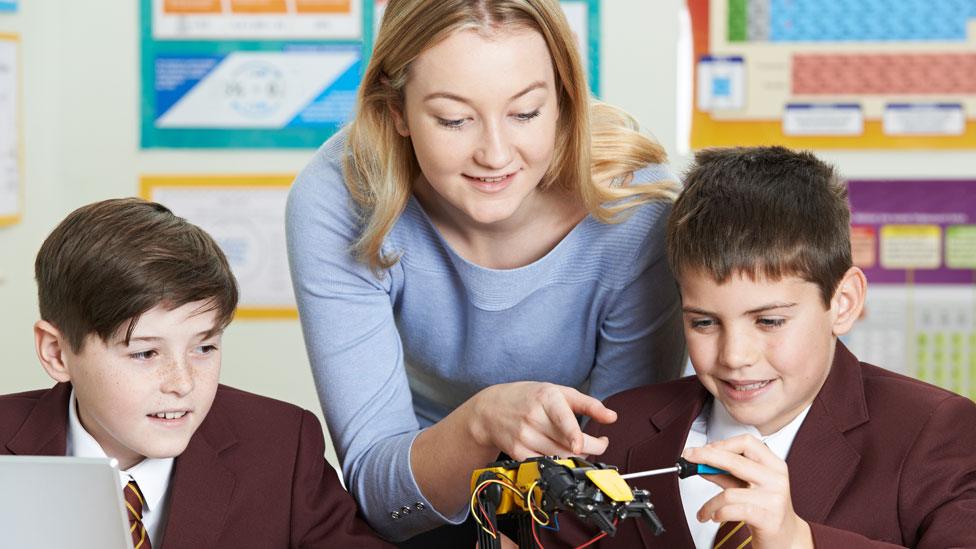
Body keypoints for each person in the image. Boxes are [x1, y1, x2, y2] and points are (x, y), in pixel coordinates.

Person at [285, 0, 686, 543]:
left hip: (570, 507)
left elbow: (617, 469)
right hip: (423, 494)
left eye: (525, 113)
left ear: (566, 99)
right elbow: (378, 494)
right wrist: (480, 424)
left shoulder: (636, 210)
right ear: (396, 109)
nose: (495, 155)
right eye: (454, 119)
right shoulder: (340, 198)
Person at [544, 147, 976, 548]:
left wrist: (798, 540)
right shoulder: (618, 430)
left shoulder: (936, 434)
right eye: (704, 322)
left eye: (769, 321)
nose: (734, 356)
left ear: (842, 303)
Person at [0, 198, 390, 548]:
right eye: (145, 353)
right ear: (57, 353)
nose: (183, 383)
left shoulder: (282, 446)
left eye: (204, 347)